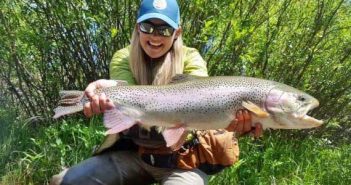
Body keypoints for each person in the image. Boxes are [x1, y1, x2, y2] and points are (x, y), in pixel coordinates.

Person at [50, 0, 263, 184]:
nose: (155, 36)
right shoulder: (123, 57)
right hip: (134, 154)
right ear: (137, 28)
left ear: (177, 32)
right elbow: (126, 93)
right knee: (63, 181)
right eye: (148, 26)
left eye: (164, 29)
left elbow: (202, 100)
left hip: (182, 160)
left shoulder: (192, 58)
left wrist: (235, 122)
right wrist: (103, 91)